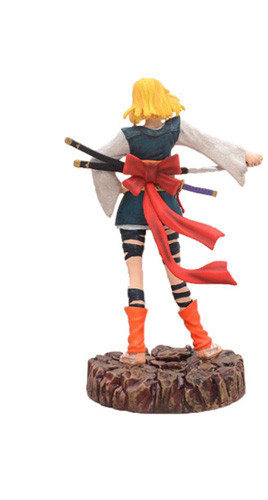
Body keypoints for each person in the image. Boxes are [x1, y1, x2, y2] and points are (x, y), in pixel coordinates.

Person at [91, 78, 262, 365]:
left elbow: (100, 160)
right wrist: (241, 155)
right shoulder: (174, 129)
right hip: (162, 209)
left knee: (139, 277)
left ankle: (137, 349)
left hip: (134, 209)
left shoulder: (129, 135)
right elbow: (209, 143)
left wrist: (117, 187)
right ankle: (202, 343)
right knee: (175, 272)